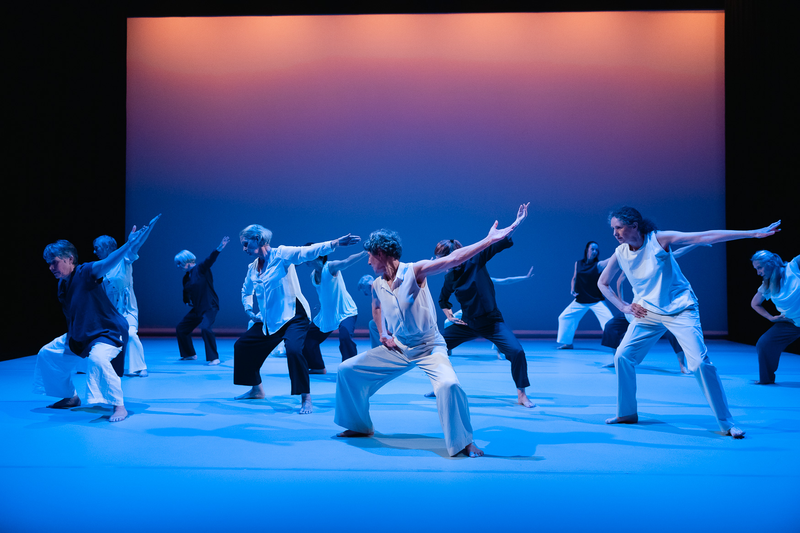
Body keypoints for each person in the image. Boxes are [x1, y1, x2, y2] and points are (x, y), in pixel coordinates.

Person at [335, 204, 528, 457]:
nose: (368, 261)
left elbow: (454, 258)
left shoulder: (414, 271)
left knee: (449, 385)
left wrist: (488, 239)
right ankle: (359, 426)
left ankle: (464, 442)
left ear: (381, 253)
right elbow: (376, 307)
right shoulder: (378, 284)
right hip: (400, 347)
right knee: (347, 370)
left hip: (429, 346)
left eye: (371, 255)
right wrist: (383, 334)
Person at [598, 206, 780, 438]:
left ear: (634, 225)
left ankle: (726, 423)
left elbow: (705, 235)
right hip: (648, 313)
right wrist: (623, 306)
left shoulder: (658, 239)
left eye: (619, 227)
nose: (615, 232)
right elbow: (603, 283)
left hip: (680, 309)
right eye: (613, 228)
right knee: (622, 356)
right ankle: (627, 413)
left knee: (700, 364)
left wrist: (752, 233)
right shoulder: (621, 252)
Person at [33, 215, 160, 422]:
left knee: (98, 359)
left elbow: (108, 262)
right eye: (48, 264)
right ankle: (70, 397)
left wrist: (129, 244)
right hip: (83, 333)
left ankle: (119, 406)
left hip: (106, 331)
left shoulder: (85, 271)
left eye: (54, 263)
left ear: (69, 259)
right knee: (48, 353)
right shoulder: (63, 284)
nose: (51, 268)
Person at [234, 225, 361, 414]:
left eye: (246, 244)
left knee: (294, 350)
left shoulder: (281, 254)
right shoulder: (252, 268)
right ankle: (256, 389)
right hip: (270, 320)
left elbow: (307, 252)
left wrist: (334, 243)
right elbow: (246, 291)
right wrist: (248, 308)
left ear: (258, 239)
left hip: (295, 316)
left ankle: (306, 398)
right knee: (242, 346)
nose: (244, 248)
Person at [435, 209, 535, 408]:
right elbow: (443, 299)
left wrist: (517, 222)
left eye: (443, 257)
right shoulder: (449, 277)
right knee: (436, 348)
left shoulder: (475, 260)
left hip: (491, 322)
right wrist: (450, 315)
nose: (441, 262)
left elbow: (497, 242)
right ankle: (441, 385)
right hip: (467, 322)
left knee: (517, 352)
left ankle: (521, 394)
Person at [602, 244, 709, 374]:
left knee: (673, 333)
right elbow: (619, 281)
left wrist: (695, 244)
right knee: (611, 327)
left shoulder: (658, 259)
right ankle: (616, 359)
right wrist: (622, 303)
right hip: (637, 309)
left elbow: (677, 252)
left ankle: (682, 365)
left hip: (660, 309)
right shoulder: (631, 263)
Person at [303, 248, 367, 374]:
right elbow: (324, 292)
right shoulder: (313, 275)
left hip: (345, 311)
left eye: (308, 254)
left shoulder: (330, 267)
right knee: (307, 337)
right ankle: (317, 366)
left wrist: (365, 252)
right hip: (327, 314)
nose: (305, 258)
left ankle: (350, 370)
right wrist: (322, 305)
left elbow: (347, 261)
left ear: (319, 256)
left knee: (344, 336)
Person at [93, 229, 147, 377]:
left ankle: (139, 367)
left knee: (130, 334)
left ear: (107, 248)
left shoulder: (124, 259)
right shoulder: (100, 266)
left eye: (97, 248)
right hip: (108, 310)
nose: (94, 251)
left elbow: (136, 246)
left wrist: (143, 234)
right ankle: (91, 366)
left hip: (126, 308)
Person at [175, 236, 229, 365]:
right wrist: (186, 301)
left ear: (187, 261)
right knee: (181, 328)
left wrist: (219, 248)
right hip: (198, 308)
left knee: (205, 328)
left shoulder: (201, 268)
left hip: (210, 306)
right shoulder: (186, 277)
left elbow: (210, 260)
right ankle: (189, 354)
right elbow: (186, 291)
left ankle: (214, 358)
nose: (178, 266)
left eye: (179, 263)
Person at [750, 250, 800, 384]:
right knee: (765, 343)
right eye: (756, 269)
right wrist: (771, 318)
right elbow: (755, 304)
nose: (758, 272)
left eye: (759, 267)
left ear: (771, 263)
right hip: (791, 323)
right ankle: (766, 380)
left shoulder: (793, 267)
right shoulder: (766, 285)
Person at [555, 242, 613, 349]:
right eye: (593, 249)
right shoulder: (578, 263)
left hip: (596, 300)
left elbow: (610, 260)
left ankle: (616, 345)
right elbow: (574, 278)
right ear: (587, 250)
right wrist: (572, 289)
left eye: (597, 250)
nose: (595, 252)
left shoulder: (599, 265)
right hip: (580, 300)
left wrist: (620, 251)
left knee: (609, 321)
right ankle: (568, 343)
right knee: (564, 317)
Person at [357, 275, 382, 349]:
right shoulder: (379, 285)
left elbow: (377, 308)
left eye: (364, 291)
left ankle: (378, 349)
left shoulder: (374, 288)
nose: (365, 294)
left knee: (373, 324)